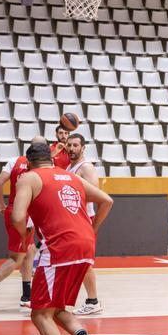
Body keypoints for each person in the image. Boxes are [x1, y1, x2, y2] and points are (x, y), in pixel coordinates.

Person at [11, 142, 114, 335]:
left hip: (59, 248)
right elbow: (107, 200)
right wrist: (94, 228)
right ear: (52, 158)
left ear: (28, 162)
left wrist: (23, 237)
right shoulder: (71, 177)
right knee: (55, 309)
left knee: (39, 314)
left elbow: (17, 216)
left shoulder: (29, 178)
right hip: (85, 246)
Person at [0, 136, 46, 311]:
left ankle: (27, 296)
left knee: (29, 251)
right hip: (24, 214)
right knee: (16, 258)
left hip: (12, 209)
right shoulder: (38, 168)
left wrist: (1, 206)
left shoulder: (13, 161)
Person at [65, 133, 103, 316]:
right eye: (69, 145)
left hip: (84, 219)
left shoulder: (86, 167)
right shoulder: (69, 167)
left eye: (75, 145)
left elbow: (95, 192)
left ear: (83, 147)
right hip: (73, 220)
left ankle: (93, 301)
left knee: (84, 263)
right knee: (73, 262)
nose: (71, 148)